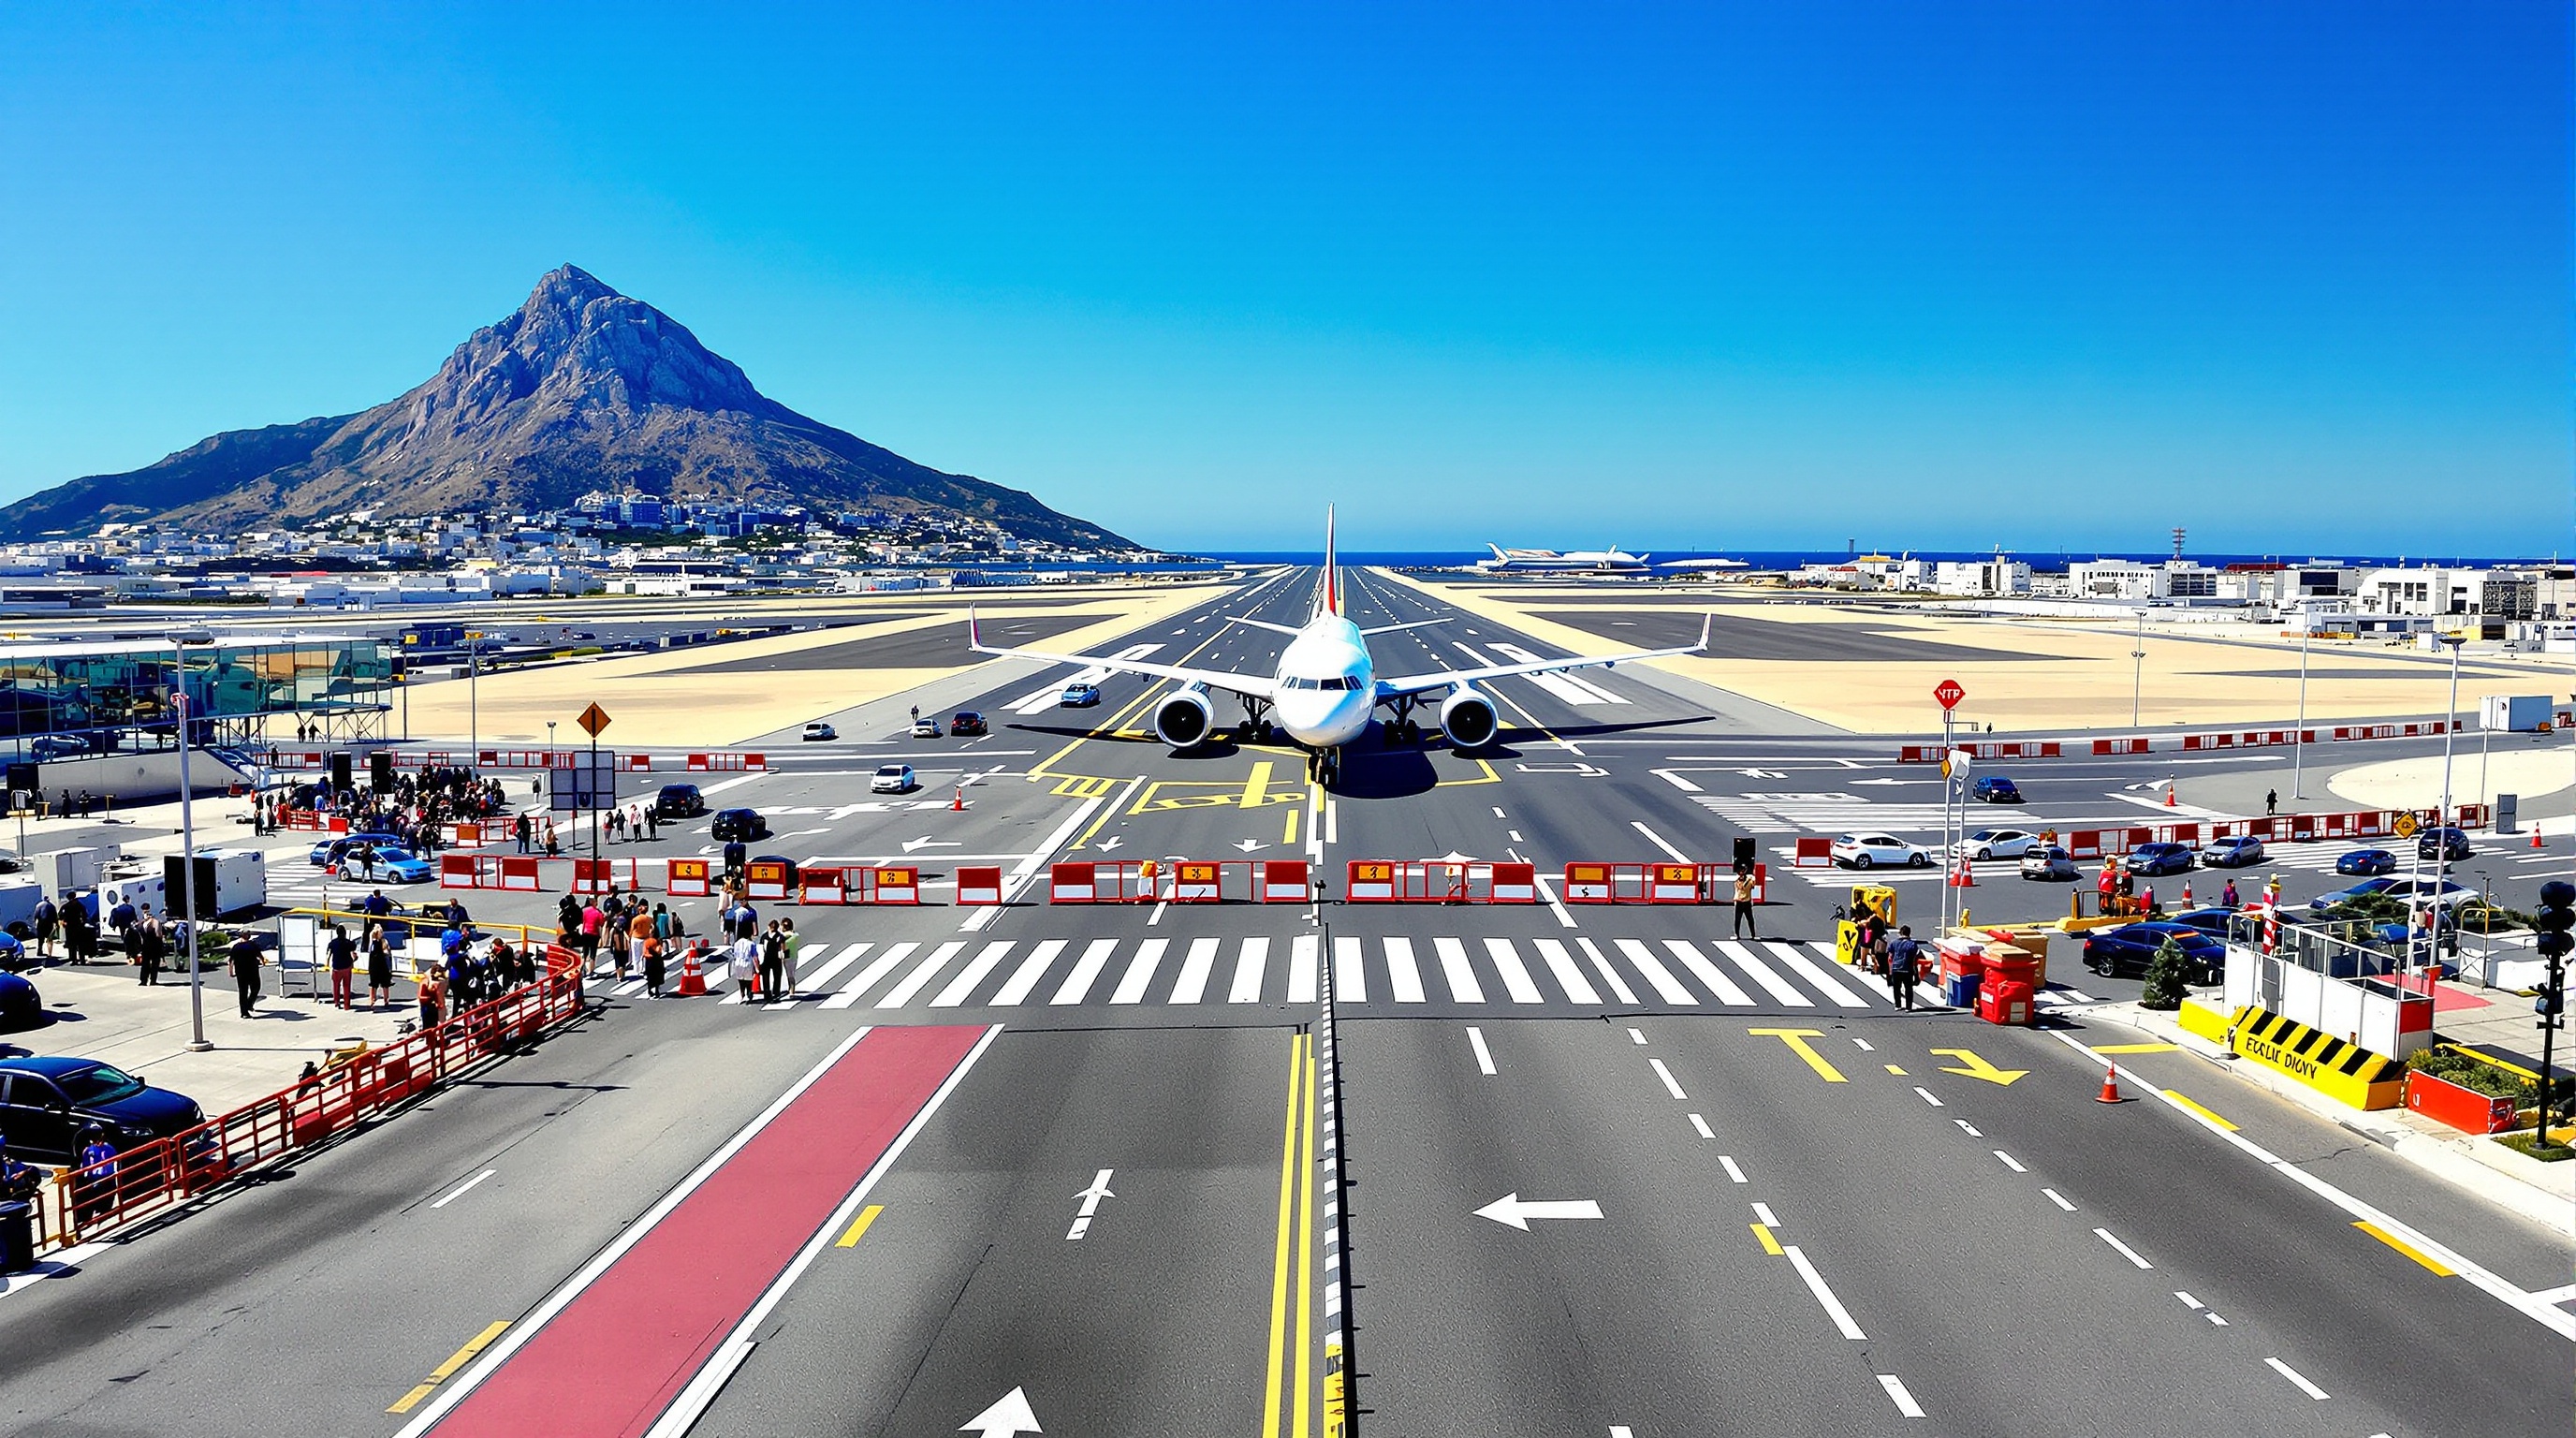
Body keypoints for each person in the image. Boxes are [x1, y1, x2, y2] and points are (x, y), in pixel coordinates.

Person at [72, 1125, 117, 1228]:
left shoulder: (109, 1148)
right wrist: (86, 1177)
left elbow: (115, 1162)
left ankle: (102, 1219)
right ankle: (87, 1221)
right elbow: (85, 1166)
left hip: (107, 1178)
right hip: (94, 1179)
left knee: (106, 1200)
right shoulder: (88, 1151)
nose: (98, 1141)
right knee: (92, 1199)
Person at [1886, 925, 1920, 1010]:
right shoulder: (1912, 944)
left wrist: (1890, 971)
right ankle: (1909, 1007)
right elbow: (1914, 960)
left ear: (1900, 933)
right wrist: (1916, 974)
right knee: (1908, 988)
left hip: (1896, 968)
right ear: (1909, 933)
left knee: (1896, 988)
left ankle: (1898, 1005)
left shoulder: (1894, 943)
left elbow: (1890, 957)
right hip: (1907, 968)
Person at [229, 932, 263, 1017]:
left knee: (243, 992)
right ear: (249, 936)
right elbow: (259, 955)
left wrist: (231, 972)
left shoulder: (236, 947)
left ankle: (244, 1012)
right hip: (252, 971)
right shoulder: (252, 945)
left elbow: (231, 961)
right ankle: (249, 1004)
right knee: (256, 988)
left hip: (240, 972)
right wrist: (263, 961)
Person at [326, 923, 357, 1009]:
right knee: (346, 986)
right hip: (347, 967)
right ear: (345, 933)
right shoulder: (349, 943)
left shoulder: (332, 943)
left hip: (336, 967)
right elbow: (353, 951)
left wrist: (327, 964)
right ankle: (346, 1005)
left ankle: (337, 1002)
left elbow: (328, 954)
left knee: (336, 986)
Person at [365, 924, 395, 1009]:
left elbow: (387, 952)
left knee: (385, 983)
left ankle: (386, 1000)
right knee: (373, 984)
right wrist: (373, 936)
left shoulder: (384, 941)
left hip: (383, 965)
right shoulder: (373, 942)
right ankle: (372, 1000)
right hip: (374, 964)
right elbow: (371, 949)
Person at [135, 906, 165, 986]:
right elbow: (158, 934)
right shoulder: (155, 922)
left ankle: (144, 980)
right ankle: (152, 980)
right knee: (153, 963)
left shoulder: (141, 923)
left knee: (146, 963)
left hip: (147, 945)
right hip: (154, 944)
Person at [728, 930, 760, 1002]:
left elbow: (734, 954)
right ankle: (749, 993)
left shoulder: (736, 943)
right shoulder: (751, 944)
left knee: (740, 979)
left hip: (738, 963)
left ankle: (742, 994)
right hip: (747, 963)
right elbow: (754, 956)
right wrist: (757, 967)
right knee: (749, 979)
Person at [1730, 868, 1758, 939]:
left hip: (1747, 902)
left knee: (1750, 919)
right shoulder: (1737, 882)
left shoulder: (1749, 881)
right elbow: (1741, 887)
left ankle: (1753, 935)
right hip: (1739, 902)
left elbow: (1753, 886)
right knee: (1737, 920)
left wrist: (1751, 878)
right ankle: (1737, 934)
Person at [777, 917, 800, 1000]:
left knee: (789, 975)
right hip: (793, 956)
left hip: (786, 957)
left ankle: (791, 991)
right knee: (791, 974)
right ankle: (791, 990)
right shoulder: (795, 935)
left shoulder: (783, 937)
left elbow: (782, 945)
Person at [642, 935, 666, 999]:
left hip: (649, 961)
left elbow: (644, 952)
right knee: (657, 977)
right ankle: (656, 990)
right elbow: (659, 952)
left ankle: (650, 990)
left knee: (650, 977)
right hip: (657, 961)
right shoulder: (657, 943)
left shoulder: (647, 942)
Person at [32, 895, 56, 961]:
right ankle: (49, 953)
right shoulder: (52, 906)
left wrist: (35, 923)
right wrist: (56, 924)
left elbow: (36, 915)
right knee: (49, 939)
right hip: (49, 924)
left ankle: (39, 950)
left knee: (40, 938)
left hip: (41, 923)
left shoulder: (39, 905)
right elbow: (55, 915)